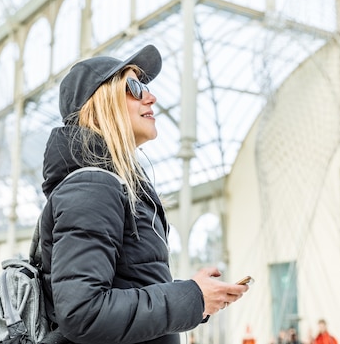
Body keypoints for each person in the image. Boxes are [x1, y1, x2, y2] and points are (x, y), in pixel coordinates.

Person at [39, 44, 250, 344]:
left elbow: (126, 290)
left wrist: (196, 295)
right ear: (101, 103)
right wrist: (191, 297)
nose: (150, 97)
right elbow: (83, 313)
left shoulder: (113, 186)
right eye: (134, 88)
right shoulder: (92, 186)